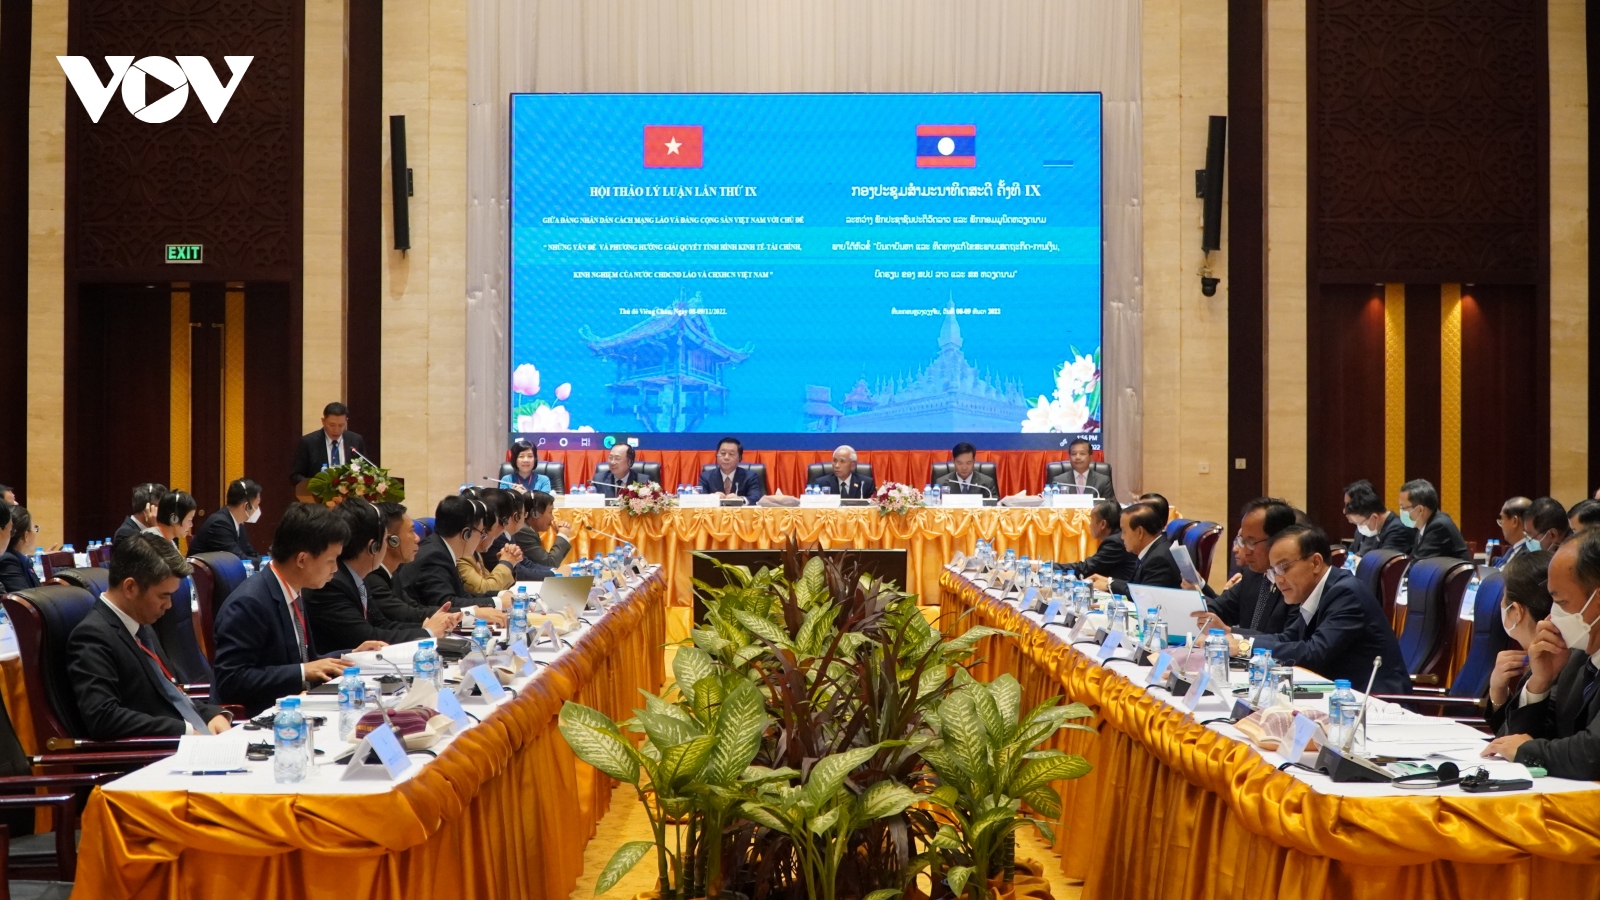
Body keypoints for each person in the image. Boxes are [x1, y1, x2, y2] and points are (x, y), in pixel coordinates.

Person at [212, 502, 384, 717]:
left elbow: (307, 660)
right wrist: (303, 671)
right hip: (266, 719)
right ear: (302, 559)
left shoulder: (293, 590)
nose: (335, 569)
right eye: (331, 560)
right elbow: (231, 681)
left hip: (297, 707)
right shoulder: (249, 604)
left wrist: (350, 655)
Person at [1210, 525, 1411, 695]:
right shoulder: (1317, 591)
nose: (1278, 579)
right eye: (1273, 572)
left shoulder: (1346, 593)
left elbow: (1314, 653)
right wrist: (1231, 637)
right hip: (1339, 696)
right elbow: (1288, 637)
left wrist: (1243, 647)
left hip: (1377, 704)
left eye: (1283, 568)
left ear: (1315, 562)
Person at [66, 534, 230, 739]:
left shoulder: (141, 626)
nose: (169, 605)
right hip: (157, 752)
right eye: (163, 596)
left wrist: (210, 715)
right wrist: (184, 731)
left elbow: (169, 694)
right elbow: (103, 717)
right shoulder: (92, 637)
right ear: (130, 588)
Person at [1484, 530, 1600, 777]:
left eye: (1561, 602)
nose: (1552, 615)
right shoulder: (1577, 657)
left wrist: (1526, 751)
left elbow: (1592, 753)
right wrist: (1540, 682)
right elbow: (1516, 741)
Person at [303, 497, 456, 651]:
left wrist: (427, 627)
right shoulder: (332, 583)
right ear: (374, 546)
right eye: (384, 539)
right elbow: (367, 636)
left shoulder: (356, 576)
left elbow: (381, 623)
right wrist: (428, 632)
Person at [393, 496, 508, 626]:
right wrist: (498, 602)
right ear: (466, 533)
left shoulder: (440, 549)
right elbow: (446, 603)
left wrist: (500, 596)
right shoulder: (434, 556)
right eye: (482, 533)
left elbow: (462, 596)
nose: (482, 538)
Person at [1191, 498, 1297, 635]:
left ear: (1279, 539)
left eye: (1251, 542)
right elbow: (1221, 609)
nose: (1245, 551)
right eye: (1243, 541)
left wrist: (1230, 632)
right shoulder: (1252, 574)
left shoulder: (1297, 583)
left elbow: (1286, 641)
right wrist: (1187, 601)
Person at [1484, 550, 1554, 733]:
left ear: (1516, 611)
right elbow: (1508, 737)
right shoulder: (1532, 659)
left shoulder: (1559, 666)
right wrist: (1498, 692)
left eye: (1503, 598)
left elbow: (1525, 740)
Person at [1089, 501, 1180, 596]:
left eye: (1124, 531)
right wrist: (1109, 581)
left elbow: (1144, 596)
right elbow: (1137, 586)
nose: (1122, 537)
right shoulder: (1153, 549)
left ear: (1140, 532)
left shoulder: (1159, 559)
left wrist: (1109, 585)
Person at [364, 502, 432, 626]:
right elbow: (405, 615)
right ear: (392, 540)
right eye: (412, 531)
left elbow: (414, 607)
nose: (417, 538)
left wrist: (462, 614)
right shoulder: (372, 578)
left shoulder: (392, 572)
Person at [457, 492, 522, 594]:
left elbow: (491, 583)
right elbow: (483, 591)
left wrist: (509, 563)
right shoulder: (461, 554)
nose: (495, 537)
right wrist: (506, 563)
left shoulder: (475, 552)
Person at [291, 401, 368, 485]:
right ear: (323, 421)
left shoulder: (356, 440)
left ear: (346, 421)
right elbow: (296, 475)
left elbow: (365, 470)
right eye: (332, 425)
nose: (336, 430)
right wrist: (315, 485)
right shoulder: (308, 442)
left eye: (341, 425)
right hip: (318, 492)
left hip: (349, 492)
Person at [1397, 479, 1471, 562]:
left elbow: (1418, 563)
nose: (1401, 511)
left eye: (1403, 507)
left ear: (1420, 509)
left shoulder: (1439, 527)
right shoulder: (1424, 526)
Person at [1063, 500, 1136, 581]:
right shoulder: (1116, 537)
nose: (1090, 524)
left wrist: (1054, 567)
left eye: (1091, 520)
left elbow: (1086, 569)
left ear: (1103, 524)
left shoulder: (1115, 543)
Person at [190, 478, 261, 558]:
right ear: (246, 506)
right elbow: (237, 558)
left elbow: (251, 553)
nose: (257, 508)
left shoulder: (239, 525)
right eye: (257, 504)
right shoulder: (219, 524)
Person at [1342, 479, 1414, 556]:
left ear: (1375, 517)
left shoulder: (1398, 530)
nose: (1360, 527)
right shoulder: (1362, 530)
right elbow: (1349, 556)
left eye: (1361, 524)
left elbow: (1383, 561)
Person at [511, 490, 571, 576]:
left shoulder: (528, 529)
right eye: (550, 512)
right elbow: (549, 563)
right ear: (535, 514)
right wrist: (562, 535)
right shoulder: (523, 531)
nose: (552, 518)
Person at [697, 437, 765, 503]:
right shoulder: (706, 477)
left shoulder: (750, 476)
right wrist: (712, 498)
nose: (726, 457)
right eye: (723, 453)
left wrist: (740, 500)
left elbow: (756, 497)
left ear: (740, 457)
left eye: (731, 454)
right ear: (716, 455)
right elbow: (699, 499)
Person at [0, 504, 38, 593]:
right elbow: (25, 597)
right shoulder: (7, 560)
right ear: (26, 536)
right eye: (35, 528)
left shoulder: (23, 559)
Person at [1493, 496, 1535, 567]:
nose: (1501, 524)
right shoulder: (1514, 549)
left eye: (1502, 519)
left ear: (1514, 521)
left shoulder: (1529, 556)